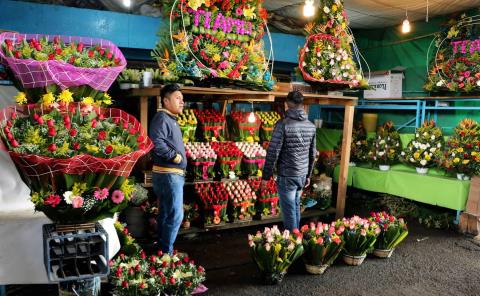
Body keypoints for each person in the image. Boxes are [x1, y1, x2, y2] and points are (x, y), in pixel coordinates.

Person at [261, 90, 316, 231]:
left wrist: (266, 176)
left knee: (289, 210)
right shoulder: (311, 125)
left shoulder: (283, 124)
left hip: (287, 176)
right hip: (302, 174)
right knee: (295, 206)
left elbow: (273, 151)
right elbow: (312, 154)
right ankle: (297, 239)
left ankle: (293, 243)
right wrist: (308, 175)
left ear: (287, 104)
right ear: (302, 105)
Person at [149, 83, 186, 254]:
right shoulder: (162, 119)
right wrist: (175, 156)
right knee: (176, 214)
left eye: (182, 99)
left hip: (170, 174)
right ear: (165, 100)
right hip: (169, 174)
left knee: (165, 212)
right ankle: (166, 251)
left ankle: (162, 249)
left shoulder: (170, 119)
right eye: (177, 98)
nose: (181, 102)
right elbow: (156, 142)